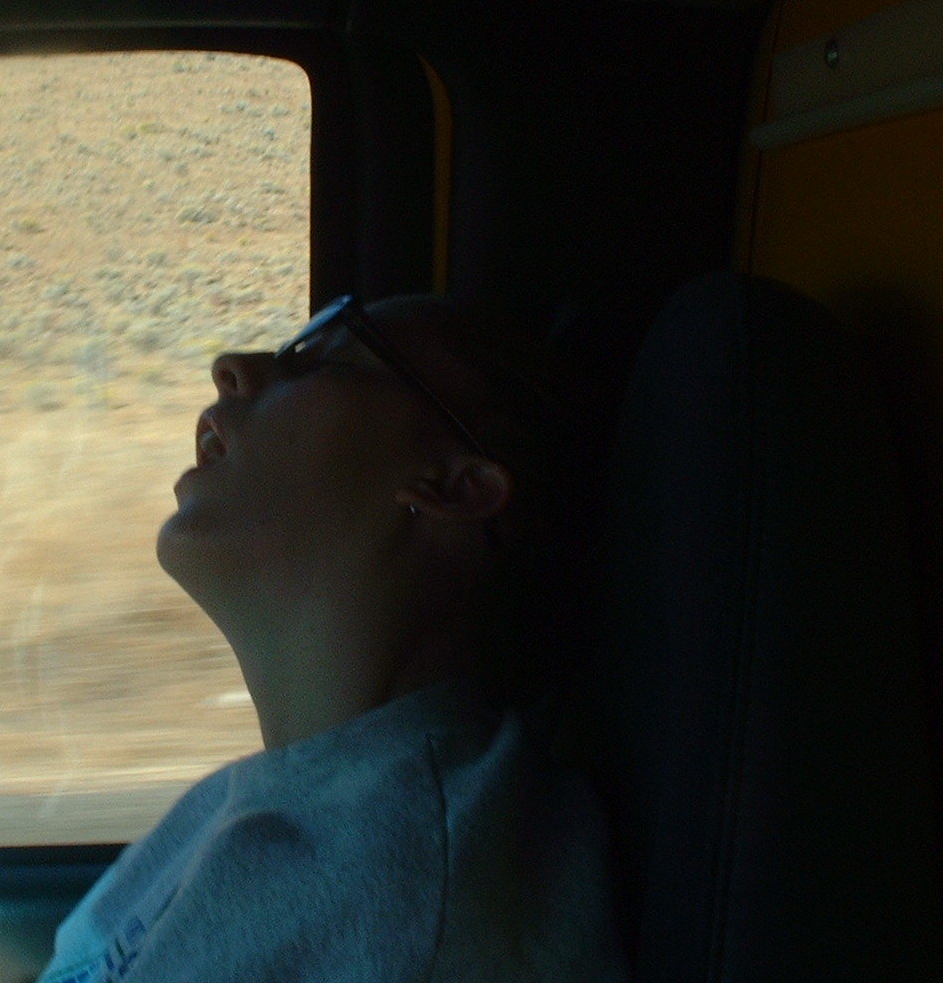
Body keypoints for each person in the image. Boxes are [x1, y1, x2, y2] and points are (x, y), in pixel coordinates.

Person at [36, 294, 626, 983]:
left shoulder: (410, 901)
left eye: (327, 361)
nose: (231, 367)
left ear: (452, 487)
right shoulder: (263, 805)